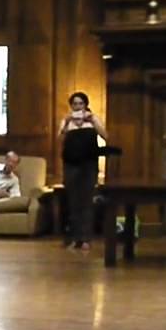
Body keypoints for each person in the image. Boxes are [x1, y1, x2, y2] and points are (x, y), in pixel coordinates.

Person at [59, 91, 107, 251]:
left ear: (85, 105)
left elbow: (106, 135)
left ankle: (86, 238)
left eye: (80, 103)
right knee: (73, 202)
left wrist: (93, 120)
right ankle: (73, 238)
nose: (77, 107)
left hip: (89, 165)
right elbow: (60, 140)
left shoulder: (93, 120)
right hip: (71, 165)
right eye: (74, 104)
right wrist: (66, 123)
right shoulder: (67, 121)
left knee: (87, 201)